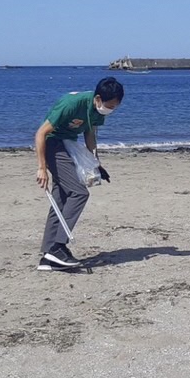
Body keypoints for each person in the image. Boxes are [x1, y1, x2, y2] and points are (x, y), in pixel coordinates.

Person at [35, 77, 124, 271]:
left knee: (61, 197)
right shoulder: (71, 104)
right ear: (98, 98)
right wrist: (42, 168)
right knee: (79, 193)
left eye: (115, 107)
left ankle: (48, 257)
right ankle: (58, 246)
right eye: (109, 106)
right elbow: (40, 133)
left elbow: (90, 134)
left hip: (69, 146)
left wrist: (96, 163)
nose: (110, 110)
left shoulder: (98, 112)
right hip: (52, 143)